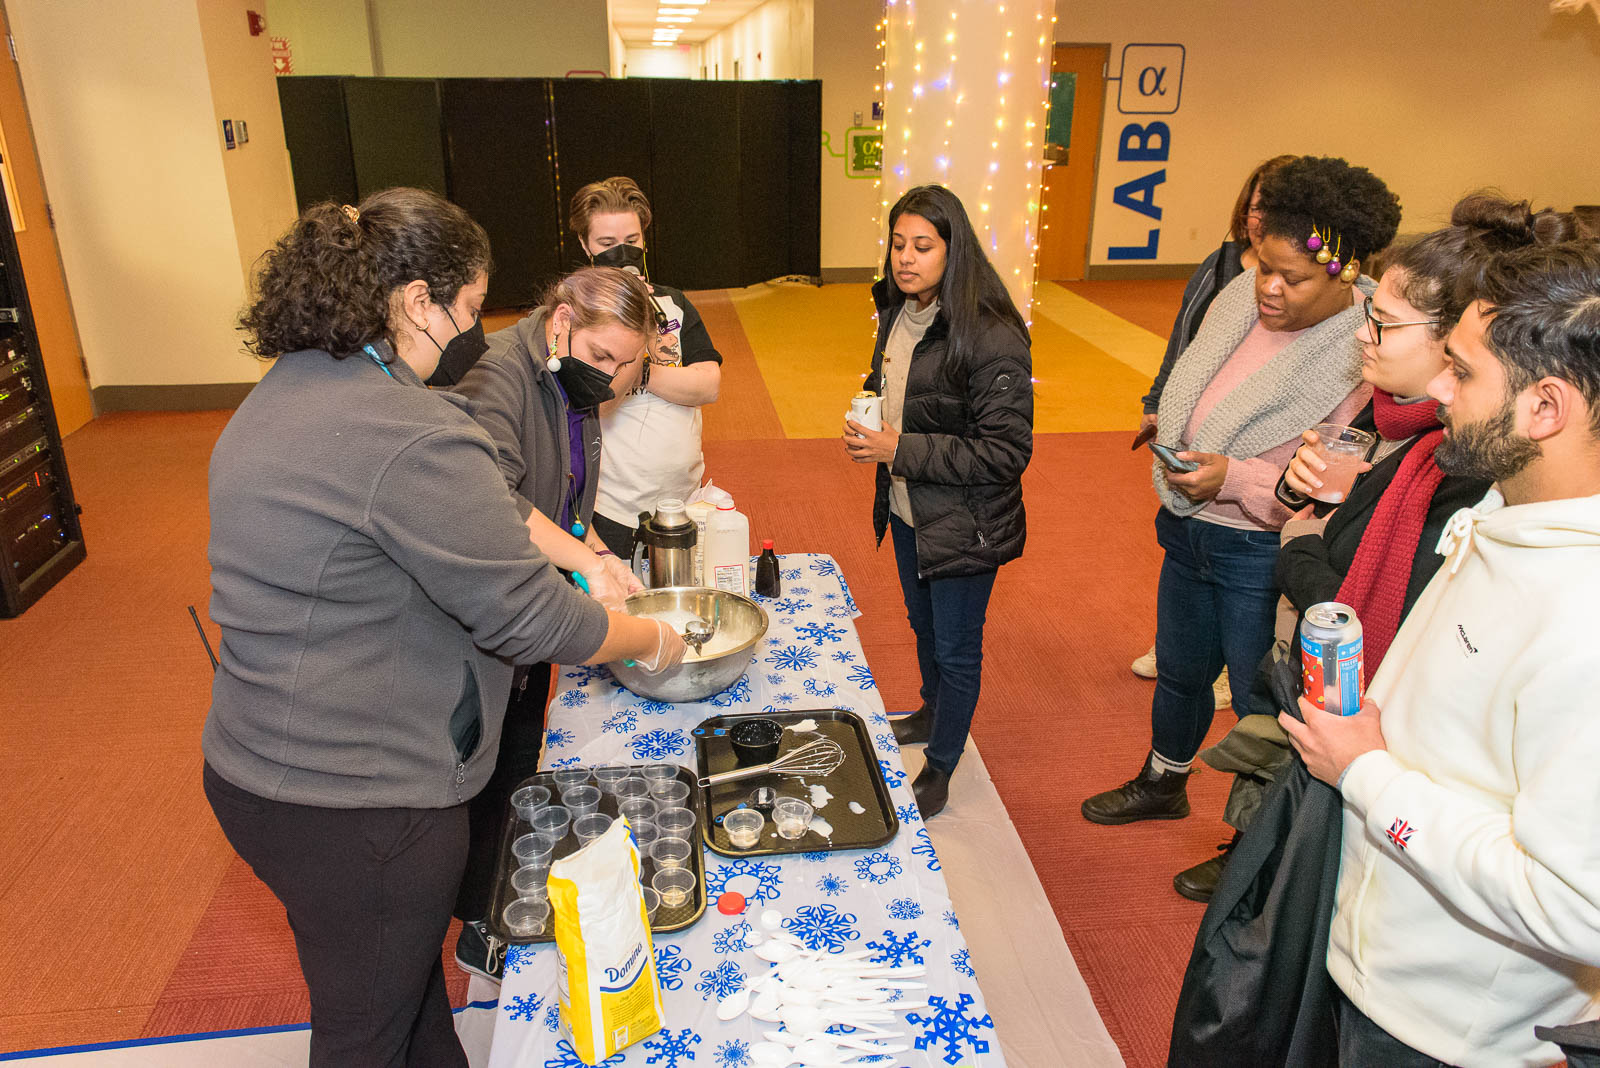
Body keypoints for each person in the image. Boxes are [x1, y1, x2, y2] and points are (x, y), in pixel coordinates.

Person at [201, 189, 685, 1068]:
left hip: (259, 765)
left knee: (401, 1000)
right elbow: (530, 613)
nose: (474, 334)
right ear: (418, 304)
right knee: (367, 1035)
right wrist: (648, 639)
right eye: (467, 309)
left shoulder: (293, 385)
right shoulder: (411, 432)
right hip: (355, 797)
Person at [1168, 194, 1582, 904]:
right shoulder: (1404, 432)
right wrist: (1309, 500)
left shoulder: (1473, 485)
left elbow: (1563, 893)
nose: (1363, 338)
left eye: (1383, 324)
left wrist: (1300, 533)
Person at [1280, 240, 1600, 1067]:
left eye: (1461, 372)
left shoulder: (1584, 618)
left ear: (1545, 409)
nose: (1436, 390)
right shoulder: (1506, 504)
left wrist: (1364, 773)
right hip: (1378, 950)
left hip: (1445, 1027)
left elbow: (1575, 907)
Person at [1081, 156, 1400, 830]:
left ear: (1342, 272)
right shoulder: (1237, 301)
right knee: (1180, 673)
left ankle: (1248, 843)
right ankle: (1162, 781)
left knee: (1262, 700)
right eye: (1264, 268)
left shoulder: (1366, 349)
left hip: (1259, 549)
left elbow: (1339, 481)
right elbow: (1193, 381)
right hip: (1190, 527)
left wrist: (1236, 477)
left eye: (1294, 277)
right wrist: (1172, 425)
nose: (1271, 289)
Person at [447, 265, 655, 978]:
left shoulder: (570, 381)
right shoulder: (498, 375)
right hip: (487, 611)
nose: (616, 377)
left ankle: (499, 891)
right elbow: (492, 497)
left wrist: (594, 545)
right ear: (562, 319)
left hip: (532, 604)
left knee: (522, 748)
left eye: (630, 364)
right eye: (605, 357)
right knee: (485, 764)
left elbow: (561, 491)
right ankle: (479, 923)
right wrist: (587, 564)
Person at [842, 184, 1032, 819]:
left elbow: (1006, 453)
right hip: (908, 509)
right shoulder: (897, 312)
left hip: (965, 523)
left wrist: (901, 448)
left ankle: (945, 762)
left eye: (923, 245)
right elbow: (906, 390)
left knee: (957, 646)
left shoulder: (992, 334)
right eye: (898, 244)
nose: (905, 258)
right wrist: (873, 416)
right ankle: (930, 709)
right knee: (922, 628)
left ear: (956, 250)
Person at [1132, 154, 1297, 694]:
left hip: (1252, 474)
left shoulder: (1310, 308)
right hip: (1194, 427)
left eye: (1269, 208)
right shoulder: (1222, 264)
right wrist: (1159, 402)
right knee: (1184, 562)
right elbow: (1183, 340)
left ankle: (1230, 664)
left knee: (1242, 587)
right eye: (1252, 207)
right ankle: (1181, 646)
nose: (1257, 218)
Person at [566, 176, 723, 560]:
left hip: (685, 498)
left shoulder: (674, 304)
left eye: (632, 242)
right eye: (607, 245)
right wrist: (632, 333)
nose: (622, 253)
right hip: (614, 509)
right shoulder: (576, 317)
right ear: (586, 246)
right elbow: (599, 404)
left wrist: (646, 368)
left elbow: (709, 386)